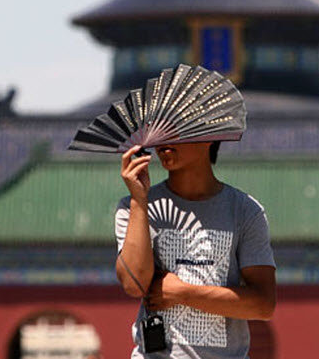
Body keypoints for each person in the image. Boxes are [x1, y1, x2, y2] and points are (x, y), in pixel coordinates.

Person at [115, 141, 276, 358]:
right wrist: (139, 200)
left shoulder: (245, 211)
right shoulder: (134, 206)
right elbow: (134, 285)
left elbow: (263, 305)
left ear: (209, 135)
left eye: (175, 130)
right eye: (160, 131)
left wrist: (183, 293)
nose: (164, 141)